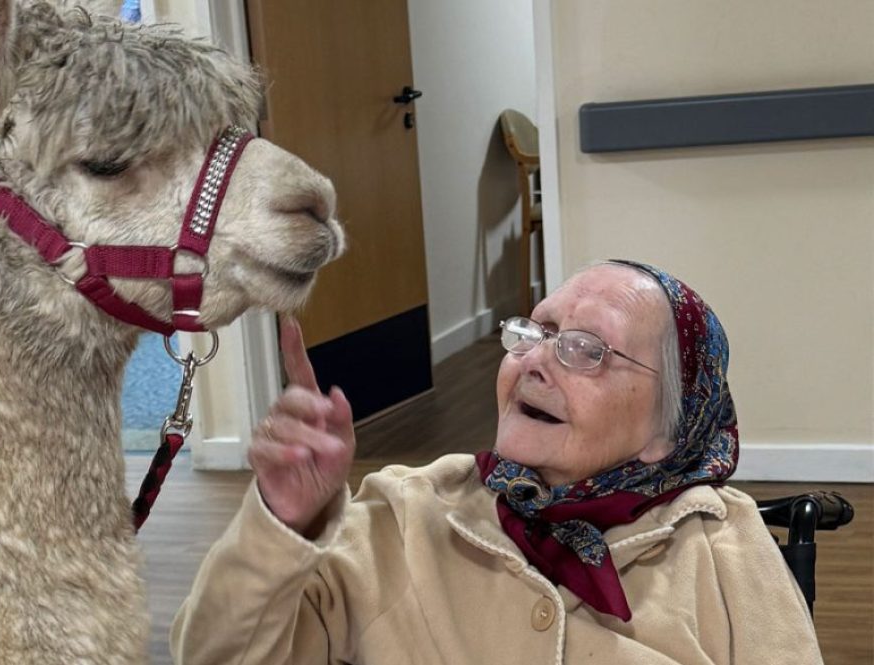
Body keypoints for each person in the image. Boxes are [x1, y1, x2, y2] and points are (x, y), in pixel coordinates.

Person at [171, 260, 823, 664]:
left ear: (668, 431)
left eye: (586, 349)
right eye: (536, 332)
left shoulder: (722, 540)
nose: (533, 359)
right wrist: (281, 525)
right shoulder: (405, 512)